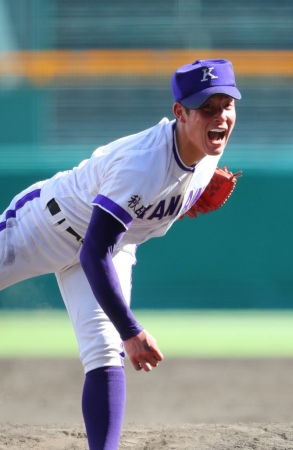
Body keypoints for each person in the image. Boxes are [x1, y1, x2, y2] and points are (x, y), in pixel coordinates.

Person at [0, 58, 241, 449]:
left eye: (227, 105)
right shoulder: (142, 164)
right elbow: (92, 251)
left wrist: (179, 201)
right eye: (207, 109)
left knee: (103, 353)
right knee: (119, 337)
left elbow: (106, 245)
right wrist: (132, 331)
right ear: (180, 113)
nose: (220, 117)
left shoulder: (207, 152)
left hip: (113, 246)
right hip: (44, 226)